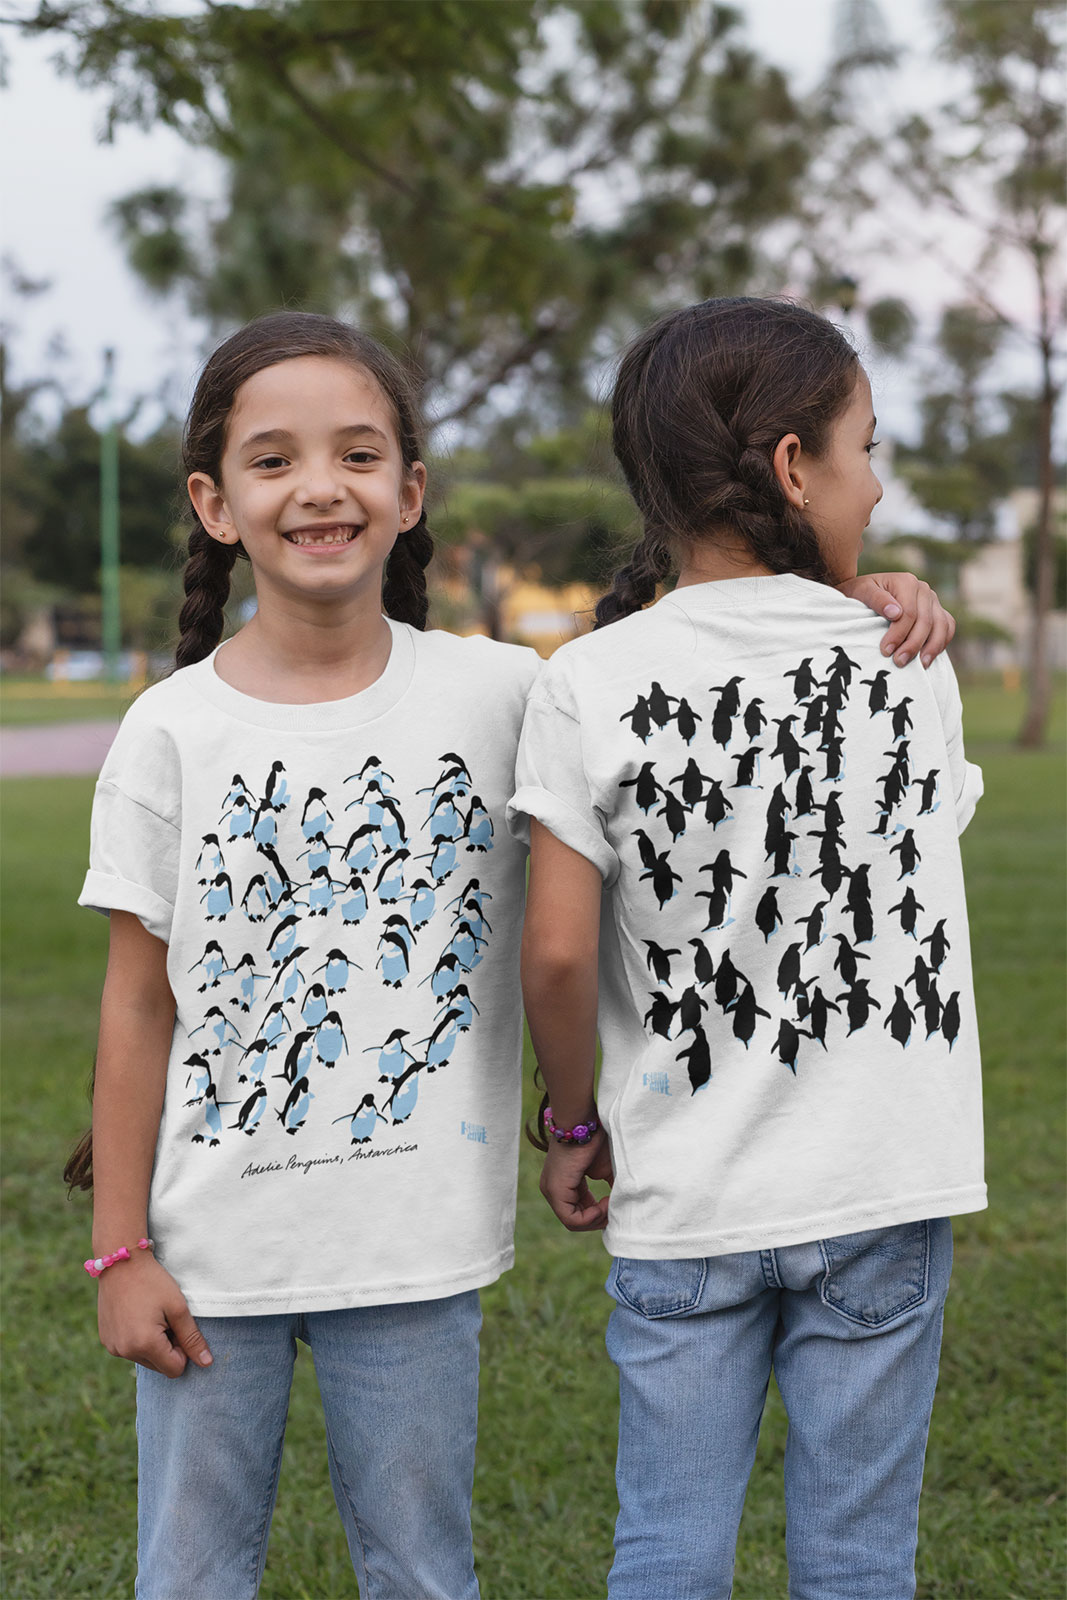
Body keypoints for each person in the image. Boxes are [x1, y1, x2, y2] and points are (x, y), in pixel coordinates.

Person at [508, 298, 984, 1600]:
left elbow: (553, 960)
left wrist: (569, 1123)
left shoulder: (583, 679)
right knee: (858, 1561)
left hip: (684, 1204)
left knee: (665, 1550)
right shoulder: (906, 661)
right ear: (792, 466)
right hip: (880, 1193)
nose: (877, 486)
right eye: (867, 447)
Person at [65, 312, 543, 1600]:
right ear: (217, 506)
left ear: (409, 490)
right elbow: (134, 1008)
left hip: (415, 1255)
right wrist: (121, 1252)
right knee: (191, 1576)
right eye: (273, 461)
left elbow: (686, 664)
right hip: (209, 1261)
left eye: (358, 453)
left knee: (426, 1573)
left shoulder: (502, 695)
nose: (321, 487)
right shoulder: (169, 729)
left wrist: (864, 599)